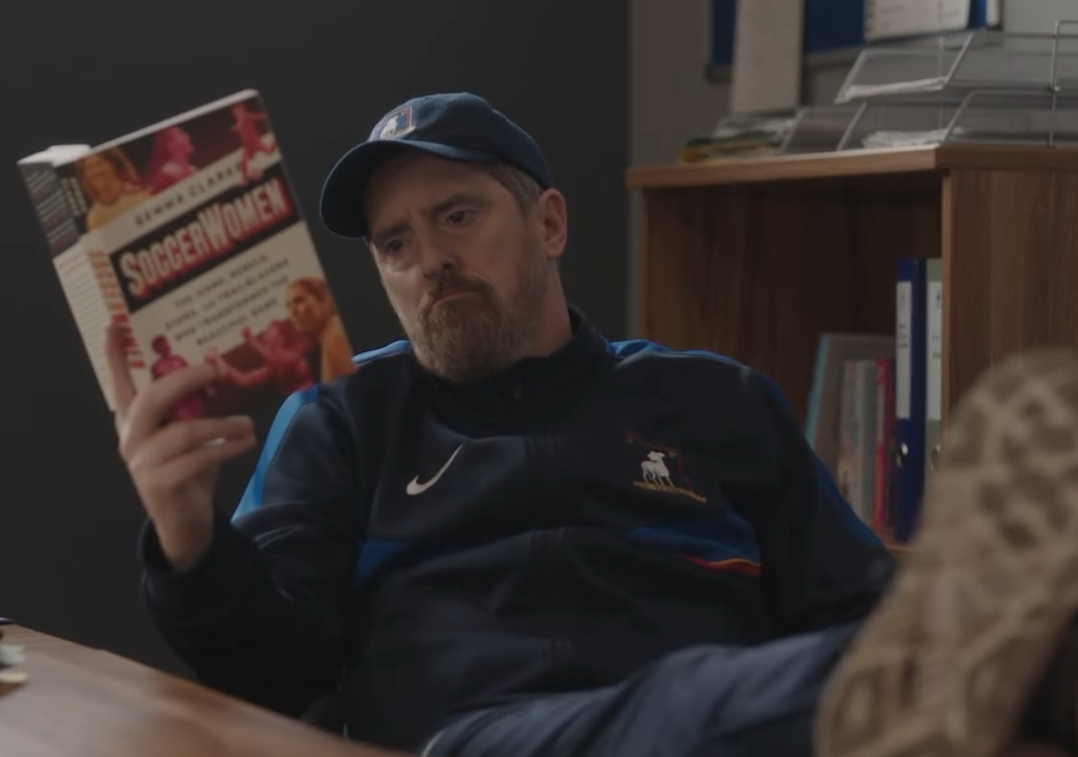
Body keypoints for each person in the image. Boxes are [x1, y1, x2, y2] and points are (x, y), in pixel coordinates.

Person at [105, 92, 1078, 757]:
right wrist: (192, 539)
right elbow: (274, 674)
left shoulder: (717, 400)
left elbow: (858, 606)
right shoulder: (344, 416)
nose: (428, 261)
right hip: (481, 738)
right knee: (684, 697)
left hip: (733, 726)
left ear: (551, 226)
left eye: (457, 216)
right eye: (396, 244)